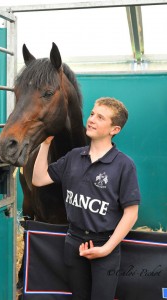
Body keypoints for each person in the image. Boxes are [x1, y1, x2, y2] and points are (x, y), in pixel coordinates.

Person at [32, 97, 141, 300]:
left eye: (100, 117)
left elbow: (131, 213)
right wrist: (45, 145)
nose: (91, 119)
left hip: (105, 245)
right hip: (73, 242)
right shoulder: (74, 156)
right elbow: (38, 179)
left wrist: (107, 248)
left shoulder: (124, 165)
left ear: (114, 129)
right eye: (92, 114)